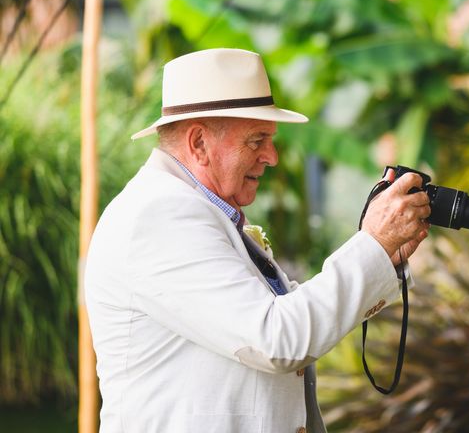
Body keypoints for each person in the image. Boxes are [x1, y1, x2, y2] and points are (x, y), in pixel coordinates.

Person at [85, 48, 431, 433]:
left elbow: (286, 317)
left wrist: (383, 253)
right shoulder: (159, 214)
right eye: (256, 140)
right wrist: (373, 244)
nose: (272, 157)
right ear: (199, 143)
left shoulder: (195, 209)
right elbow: (278, 339)